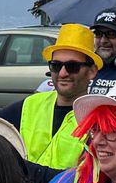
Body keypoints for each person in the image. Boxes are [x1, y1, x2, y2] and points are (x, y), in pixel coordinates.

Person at [18, 24, 99, 172]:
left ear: (92, 71)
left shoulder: (99, 119)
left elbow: (79, 180)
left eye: (72, 66)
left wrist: (18, 167)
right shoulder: (30, 104)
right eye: (55, 65)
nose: (62, 73)